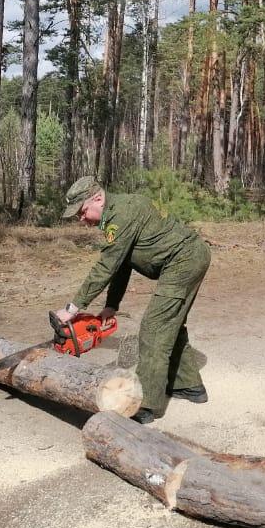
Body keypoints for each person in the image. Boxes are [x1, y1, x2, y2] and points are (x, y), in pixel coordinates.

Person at [58, 176, 210, 424]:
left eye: (82, 212)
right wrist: (111, 305)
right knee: (169, 325)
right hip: (187, 259)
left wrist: (73, 308)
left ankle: (146, 404)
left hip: (184, 261)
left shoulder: (122, 215)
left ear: (98, 198)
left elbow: (106, 266)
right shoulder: (115, 214)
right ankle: (188, 384)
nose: (81, 219)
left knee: (153, 329)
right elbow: (121, 265)